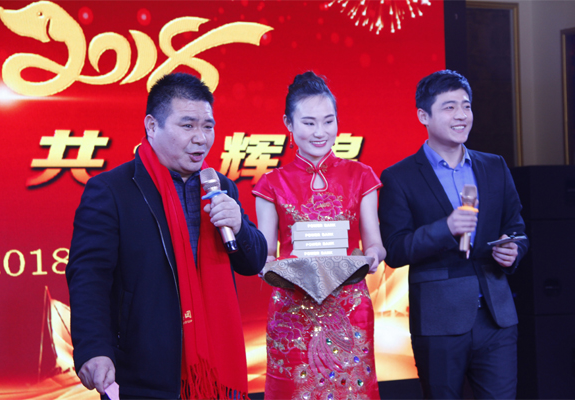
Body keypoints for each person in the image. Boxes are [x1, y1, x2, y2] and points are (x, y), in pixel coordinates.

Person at [66, 73, 267, 399]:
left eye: (208, 126)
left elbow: (253, 261)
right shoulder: (112, 190)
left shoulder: (219, 186)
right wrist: (93, 348)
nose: (201, 138)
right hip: (144, 368)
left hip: (217, 369)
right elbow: (89, 276)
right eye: (188, 126)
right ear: (152, 126)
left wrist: (240, 227)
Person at [378, 69, 529, 399]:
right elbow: (395, 249)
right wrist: (444, 229)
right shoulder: (399, 177)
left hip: (497, 318)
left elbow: (516, 227)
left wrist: (514, 249)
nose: (461, 115)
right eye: (449, 107)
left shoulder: (494, 166)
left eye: (466, 106)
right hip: (439, 320)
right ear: (424, 116)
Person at [252, 71, 386, 400]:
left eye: (328, 121)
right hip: (292, 311)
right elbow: (265, 253)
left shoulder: (361, 176)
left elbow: (375, 244)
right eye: (309, 123)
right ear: (288, 123)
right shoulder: (271, 184)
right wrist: (268, 267)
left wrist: (371, 258)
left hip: (349, 307)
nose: (320, 132)